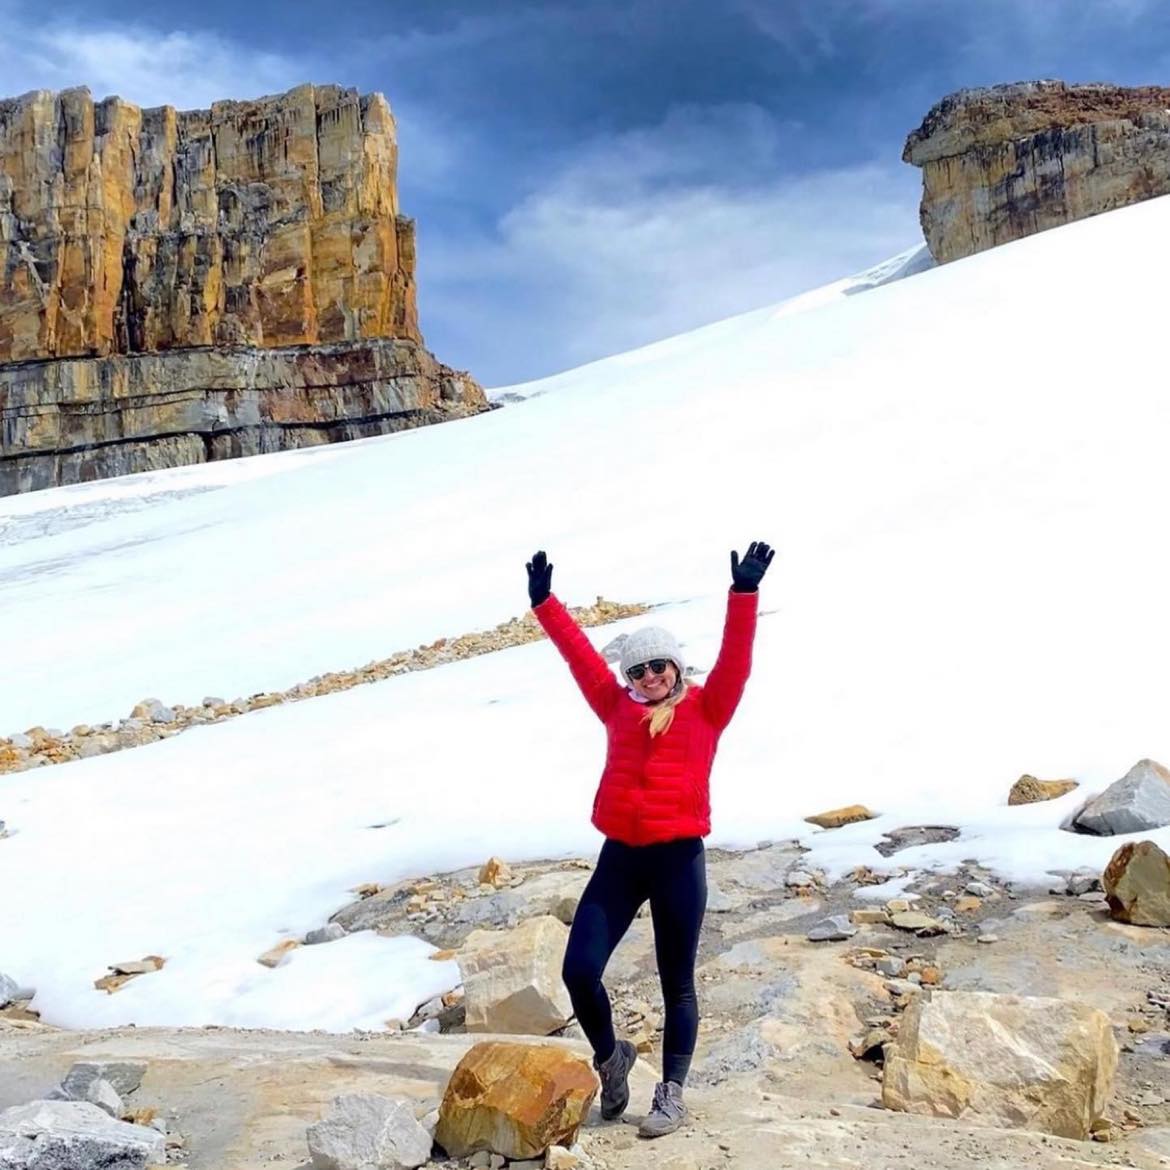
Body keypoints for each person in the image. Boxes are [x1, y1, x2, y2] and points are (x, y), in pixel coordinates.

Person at [525, 541, 773, 1138]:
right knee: (579, 970)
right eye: (638, 670)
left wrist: (743, 594)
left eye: (659, 667)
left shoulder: (708, 709)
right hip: (621, 858)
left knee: (676, 984)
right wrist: (544, 604)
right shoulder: (613, 706)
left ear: (675, 667)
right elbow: (579, 656)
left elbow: (737, 659)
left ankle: (672, 1093)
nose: (651, 677)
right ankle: (612, 1061)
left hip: (677, 860)